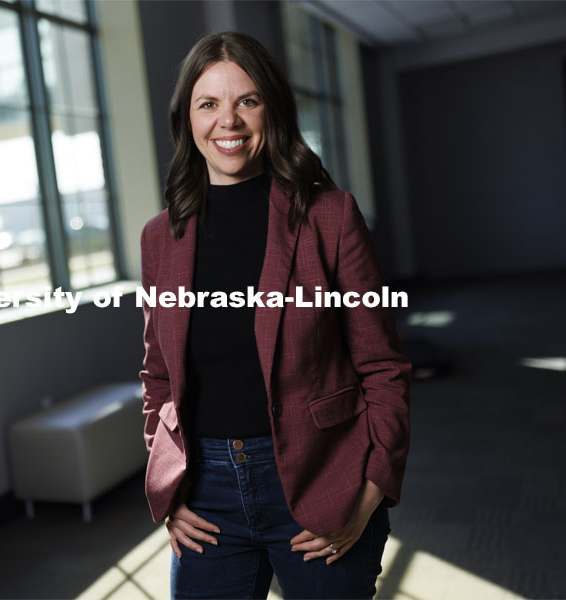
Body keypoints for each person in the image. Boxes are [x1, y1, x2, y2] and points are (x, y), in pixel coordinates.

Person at [138, 31, 412, 600]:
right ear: (187, 119)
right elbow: (158, 377)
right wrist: (168, 492)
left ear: (272, 110)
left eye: (248, 100)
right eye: (208, 103)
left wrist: (366, 496)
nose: (228, 121)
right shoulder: (160, 237)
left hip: (321, 478)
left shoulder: (329, 217)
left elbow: (383, 368)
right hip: (206, 493)